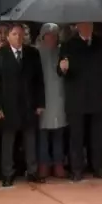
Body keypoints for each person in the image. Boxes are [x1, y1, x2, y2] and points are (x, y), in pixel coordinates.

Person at [0, 24, 45, 186]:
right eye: (14, 34)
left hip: (29, 103)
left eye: (21, 34)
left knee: (30, 139)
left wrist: (41, 103)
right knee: (8, 141)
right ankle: (8, 173)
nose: (18, 37)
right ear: (8, 37)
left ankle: (32, 171)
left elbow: (39, 81)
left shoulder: (32, 53)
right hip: (8, 105)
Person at [59, 22, 102, 181]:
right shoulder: (68, 45)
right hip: (76, 98)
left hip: (97, 96)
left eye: (89, 24)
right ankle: (76, 169)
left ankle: (98, 167)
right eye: (83, 24)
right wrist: (62, 68)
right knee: (76, 136)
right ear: (78, 26)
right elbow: (60, 70)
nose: (87, 27)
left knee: (98, 135)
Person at [36, 25, 68, 178]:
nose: (52, 38)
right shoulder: (36, 53)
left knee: (59, 133)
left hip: (60, 98)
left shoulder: (63, 52)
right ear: (43, 36)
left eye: (54, 35)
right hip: (42, 99)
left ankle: (58, 164)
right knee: (43, 134)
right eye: (48, 35)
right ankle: (44, 164)